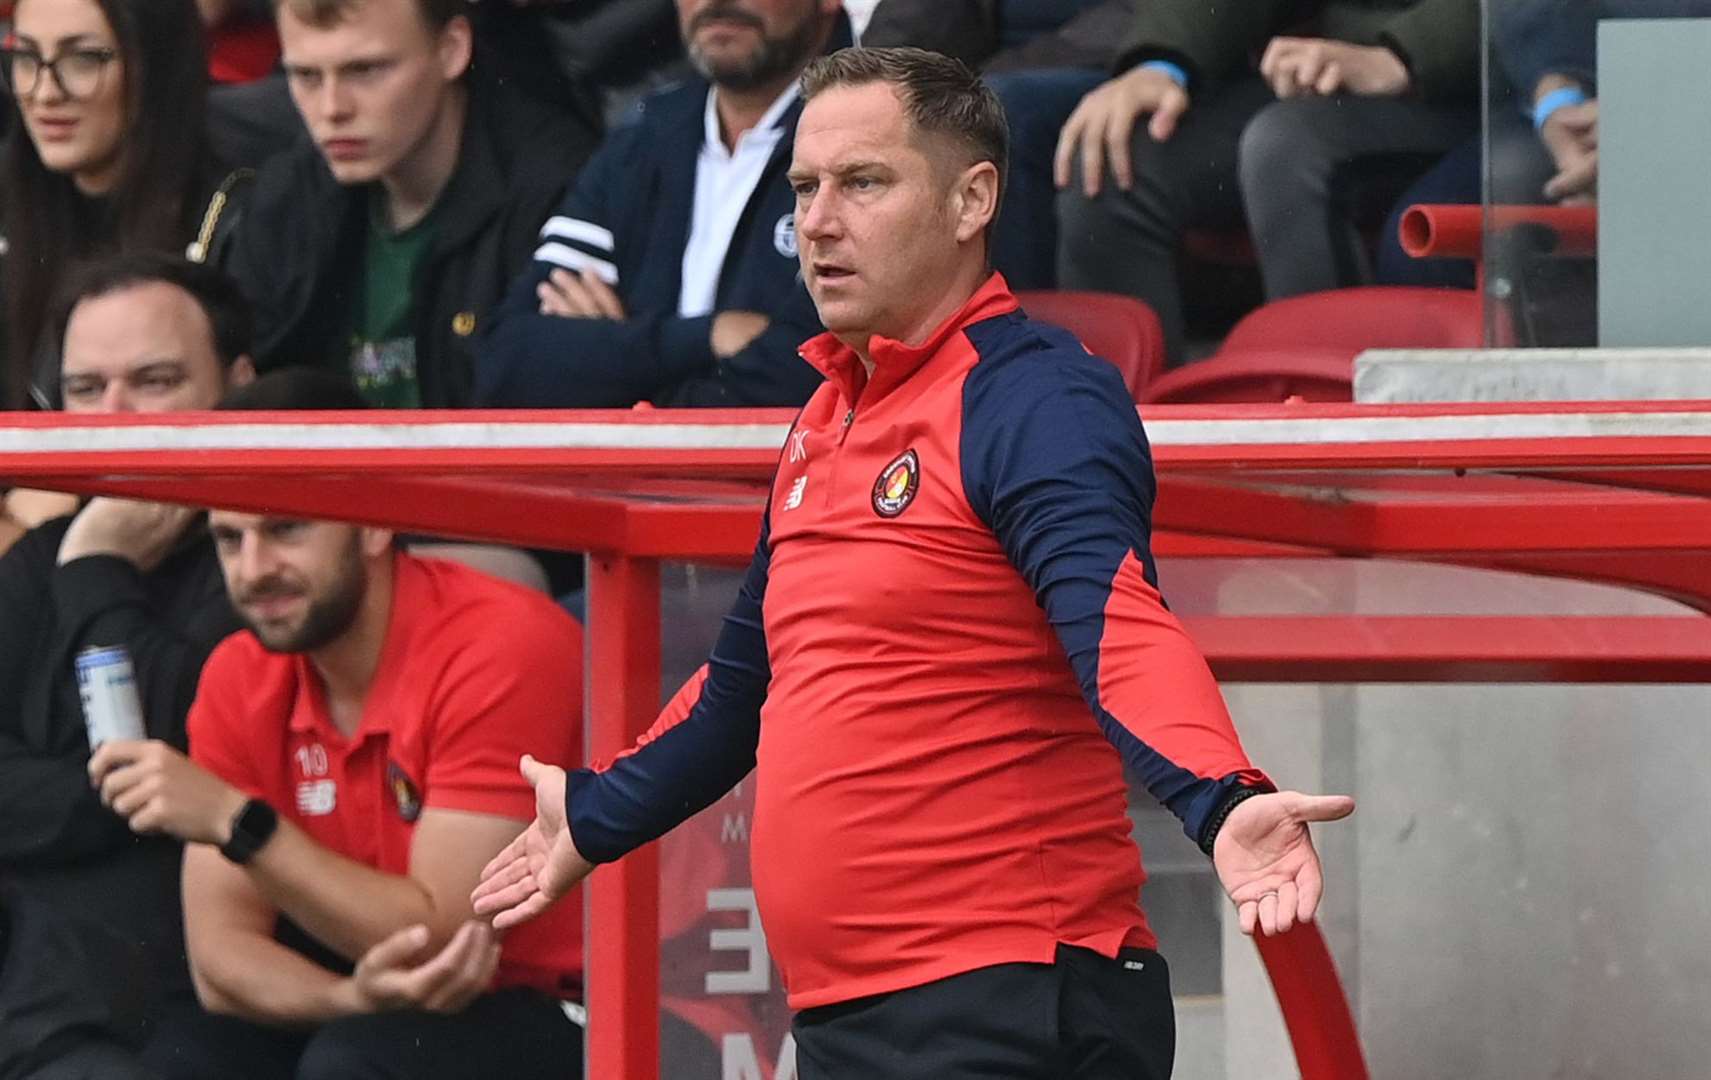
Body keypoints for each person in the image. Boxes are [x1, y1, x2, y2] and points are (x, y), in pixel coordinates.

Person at [475, 46, 1354, 1078]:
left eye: (863, 182)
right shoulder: (825, 416)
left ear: (971, 197)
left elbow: (1118, 626)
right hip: (860, 1017)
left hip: (1010, 1000)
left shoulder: (1031, 395)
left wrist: (1220, 798)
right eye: (803, 187)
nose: (816, 221)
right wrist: (592, 815)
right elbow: (741, 689)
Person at [86, 450, 588, 1079]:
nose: (254, 569)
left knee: (352, 1064)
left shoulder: (498, 642)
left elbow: (442, 944)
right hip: (382, 1000)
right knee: (184, 1062)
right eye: (229, 538)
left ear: (373, 524)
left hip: (577, 1003)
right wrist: (346, 999)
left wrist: (237, 822)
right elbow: (221, 964)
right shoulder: (239, 674)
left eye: (286, 529)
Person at [0, 252, 256, 1079]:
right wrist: (122, 798)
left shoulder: (267, 564)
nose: (112, 417)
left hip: (176, 1005)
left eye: (153, 381)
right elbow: (151, 782)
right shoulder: (38, 559)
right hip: (36, 980)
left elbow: (195, 736)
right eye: (83, 390)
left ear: (237, 387)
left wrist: (98, 570)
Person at [1053, 0, 1480, 364]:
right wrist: (1162, 63)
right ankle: (1123, 434)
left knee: (1288, 148)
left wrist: (1403, 56)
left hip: (1487, 82)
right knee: (1115, 152)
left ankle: (1325, 427)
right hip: (1329, 67)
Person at [225, 0, 599, 408]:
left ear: (452, 49)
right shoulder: (288, 199)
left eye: (366, 71)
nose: (332, 108)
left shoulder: (557, 193)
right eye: (306, 76)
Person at [474, 0, 846, 409]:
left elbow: (817, 374)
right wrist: (706, 336)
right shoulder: (645, 137)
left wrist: (619, 372)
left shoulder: (864, 139)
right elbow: (506, 362)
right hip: (630, 472)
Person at [0, 0, 251, 410]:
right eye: (26, 57)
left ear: (155, 65)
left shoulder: (238, 216)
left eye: (83, 59)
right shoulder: (10, 206)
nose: (45, 93)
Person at [860, 0, 1138, 289]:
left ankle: (1005, 318)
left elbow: (1153, 19)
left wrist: (978, 84)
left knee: (1001, 110)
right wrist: (870, 75)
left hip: (1120, 64)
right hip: (998, 69)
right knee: (849, 106)